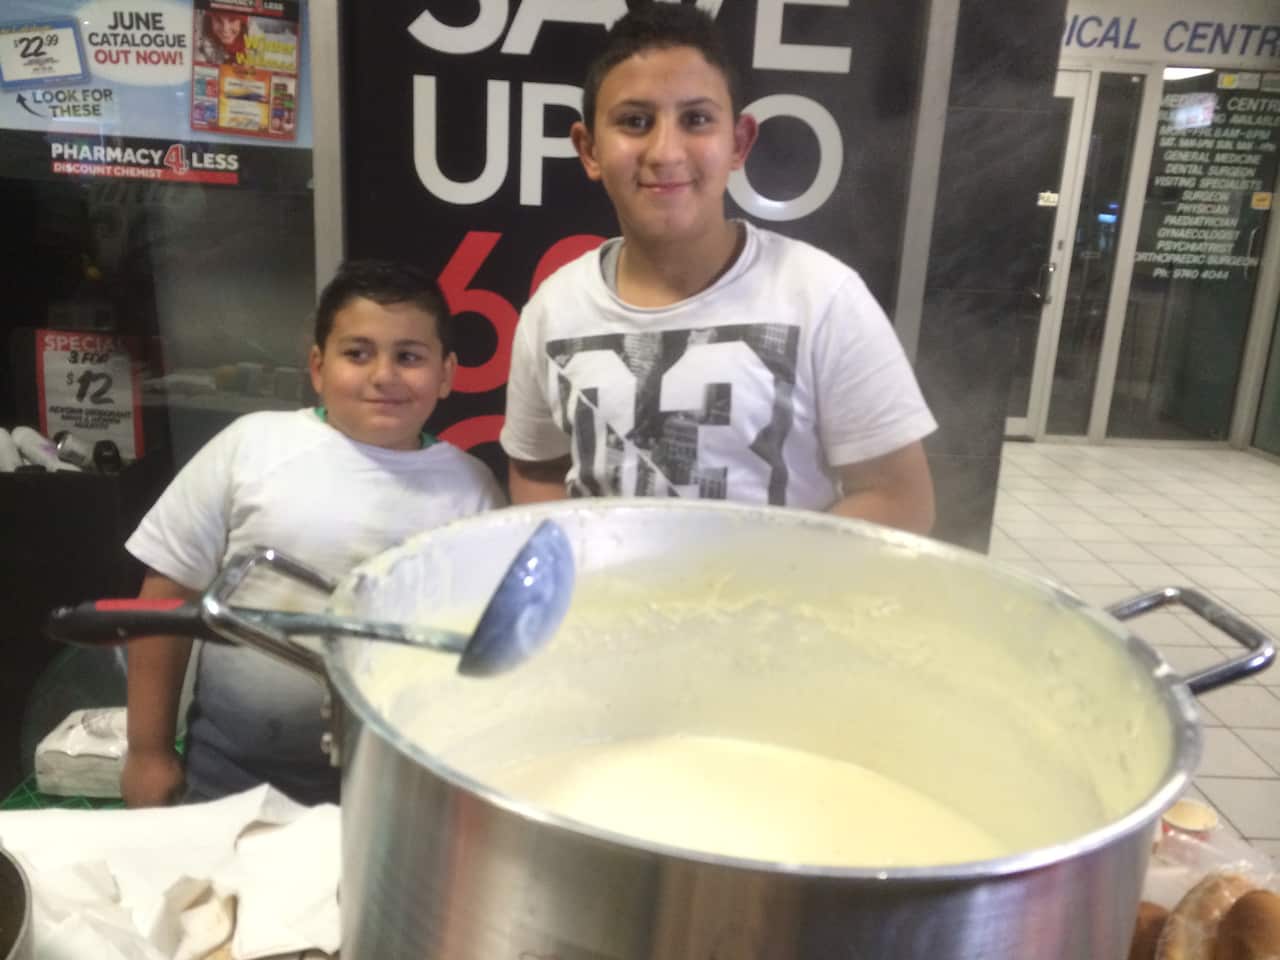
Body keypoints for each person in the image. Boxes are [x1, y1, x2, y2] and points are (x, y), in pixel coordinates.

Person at [500, 4, 936, 533]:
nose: (665, 152)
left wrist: (755, 576)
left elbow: (899, 499)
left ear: (740, 142)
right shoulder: (552, 309)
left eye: (697, 119)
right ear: (589, 150)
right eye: (635, 121)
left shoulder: (822, 296)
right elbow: (537, 469)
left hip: (782, 589)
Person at [122, 260, 504, 807]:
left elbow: (483, 653)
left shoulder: (473, 490)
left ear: (446, 374)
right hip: (230, 772)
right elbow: (165, 595)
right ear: (319, 367)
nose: (384, 375)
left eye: (409, 357)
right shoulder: (250, 446)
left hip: (401, 790)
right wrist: (148, 751)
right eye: (358, 353)